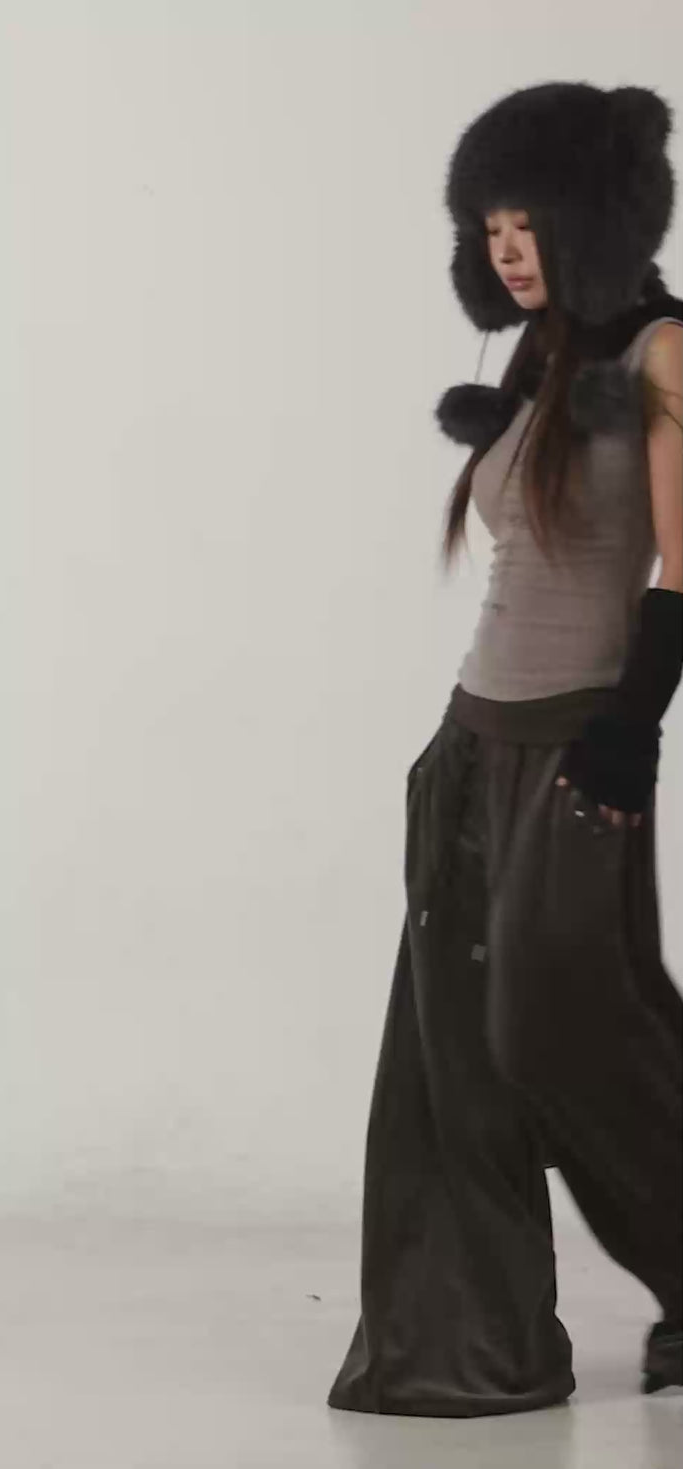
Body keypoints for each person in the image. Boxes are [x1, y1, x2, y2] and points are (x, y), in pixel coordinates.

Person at [327, 81, 683, 1418]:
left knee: (565, 1026)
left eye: (528, 221)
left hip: (581, 747)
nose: (508, 248)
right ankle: (472, 1342)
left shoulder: (660, 352)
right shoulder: (540, 355)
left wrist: (629, 736)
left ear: (591, 215)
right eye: (489, 227)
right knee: (455, 1055)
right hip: (474, 744)